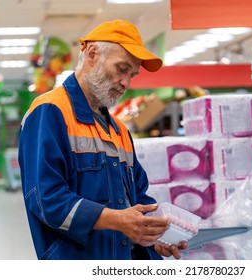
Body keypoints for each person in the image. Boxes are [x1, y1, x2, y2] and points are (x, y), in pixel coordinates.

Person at [18, 19, 188, 260]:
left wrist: (154, 236)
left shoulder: (119, 130)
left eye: (132, 75)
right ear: (92, 54)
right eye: (121, 69)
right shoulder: (50, 111)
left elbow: (137, 197)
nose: (126, 83)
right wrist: (116, 220)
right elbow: (46, 200)